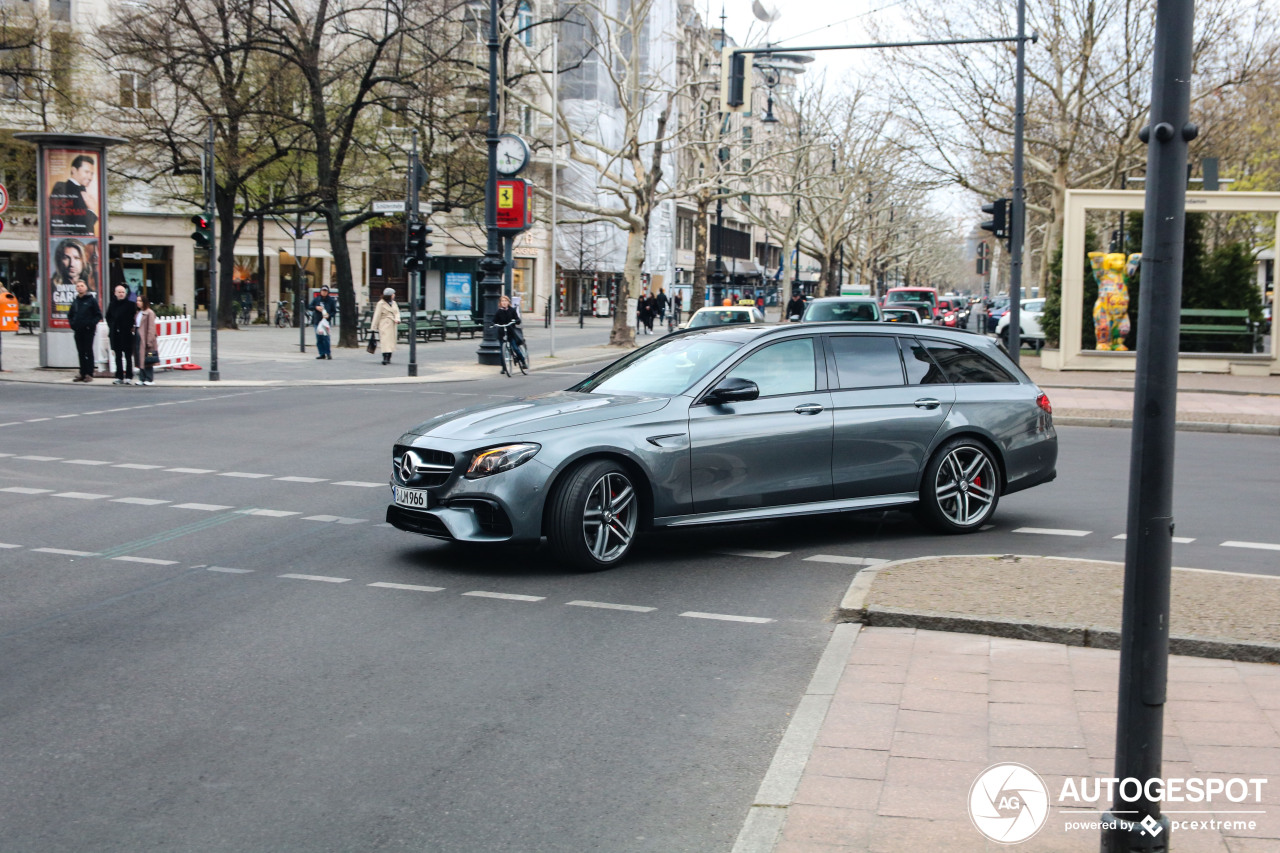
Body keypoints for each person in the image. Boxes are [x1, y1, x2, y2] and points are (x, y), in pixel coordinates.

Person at [49, 155, 99, 236]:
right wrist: (91, 210)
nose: (90, 177)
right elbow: (76, 224)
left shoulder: (82, 190)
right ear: (74, 170)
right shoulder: (61, 187)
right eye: (86, 172)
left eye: (92, 173)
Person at [67, 280, 101, 382]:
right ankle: (82, 372)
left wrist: (90, 325)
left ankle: (89, 374)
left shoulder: (91, 300)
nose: (80, 287)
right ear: (76, 288)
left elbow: (98, 315)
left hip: (88, 331)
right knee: (81, 352)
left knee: (88, 351)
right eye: (78, 286)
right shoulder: (76, 301)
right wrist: (73, 325)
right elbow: (70, 315)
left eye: (82, 286)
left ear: (86, 287)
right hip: (78, 331)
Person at [105, 284, 138, 384]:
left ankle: (129, 376)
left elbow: (134, 317)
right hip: (115, 334)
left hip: (127, 334)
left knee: (128, 356)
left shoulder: (130, 304)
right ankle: (119, 376)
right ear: (115, 293)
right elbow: (108, 317)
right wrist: (112, 326)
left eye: (123, 292)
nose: (121, 294)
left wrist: (130, 326)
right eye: (119, 292)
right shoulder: (112, 304)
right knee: (117, 356)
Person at [492, 293, 527, 368]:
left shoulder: (512, 310)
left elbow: (518, 319)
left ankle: (523, 361)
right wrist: (493, 324)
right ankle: (504, 368)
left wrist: (516, 321)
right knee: (502, 351)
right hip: (502, 333)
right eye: (502, 301)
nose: (504, 302)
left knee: (515, 348)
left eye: (505, 301)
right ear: (500, 303)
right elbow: (494, 320)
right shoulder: (499, 311)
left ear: (508, 302)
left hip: (511, 333)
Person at [371, 287, 400, 365]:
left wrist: (397, 319)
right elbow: (377, 315)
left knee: (391, 342)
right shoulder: (381, 303)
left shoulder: (394, 303)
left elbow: (397, 312)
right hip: (384, 324)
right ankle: (385, 357)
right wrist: (373, 327)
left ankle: (389, 357)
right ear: (389, 295)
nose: (394, 295)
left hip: (392, 324)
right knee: (385, 341)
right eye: (393, 294)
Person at [134, 292, 158, 386]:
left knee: (149, 358)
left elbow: (151, 328)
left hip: (147, 339)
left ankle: (149, 378)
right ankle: (142, 377)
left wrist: (149, 340)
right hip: (139, 337)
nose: (138, 302)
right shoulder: (139, 313)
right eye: (137, 300)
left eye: (140, 301)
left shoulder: (149, 313)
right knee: (140, 358)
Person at [309, 285, 337, 360]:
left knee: (326, 338)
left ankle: (328, 353)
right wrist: (316, 307)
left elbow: (334, 311)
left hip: (325, 322)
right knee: (319, 338)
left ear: (328, 292)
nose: (324, 292)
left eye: (325, 291)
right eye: (323, 291)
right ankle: (321, 353)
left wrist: (329, 316)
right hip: (317, 321)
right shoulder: (317, 299)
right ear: (320, 291)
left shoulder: (331, 300)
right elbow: (310, 306)